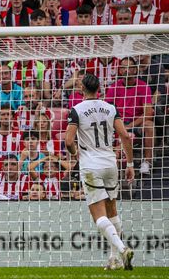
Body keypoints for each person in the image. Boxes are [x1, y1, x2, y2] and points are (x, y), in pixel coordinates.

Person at [65, 73, 135, 271]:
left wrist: (75, 152)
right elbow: (125, 137)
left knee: (99, 216)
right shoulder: (110, 108)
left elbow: (68, 141)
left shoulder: (77, 109)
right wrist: (130, 165)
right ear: (99, 89)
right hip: (110, 163)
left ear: (81, 90)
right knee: (113, 211)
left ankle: (122, 249)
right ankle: (114, 260)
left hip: (91, 165)